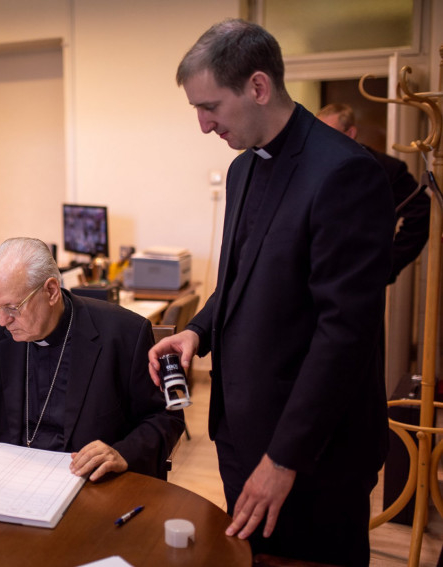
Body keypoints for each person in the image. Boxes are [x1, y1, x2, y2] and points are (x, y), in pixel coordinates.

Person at [149, 20, 393, 566]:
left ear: (258, 87)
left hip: (313, 453)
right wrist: (196, 332)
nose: (203, 125)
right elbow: (238, 282)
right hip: (240, 434)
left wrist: (284, 459)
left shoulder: (345, 173)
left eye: (210, 106)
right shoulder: (242, 170)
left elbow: (344, 337)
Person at [0, 237, 184, 481]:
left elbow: (166, 417)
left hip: (87, 485)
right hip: (4, 480)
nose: (2, 321)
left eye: (12, 308)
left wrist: (122, 453)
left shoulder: (124, 333)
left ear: (51, 291)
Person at [317, 102, 429, 281]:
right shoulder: (314, 167)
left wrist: (390, 263)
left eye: (329, 134)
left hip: (361, 277)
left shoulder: (386, 168)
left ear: (350, 133)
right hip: (316, 276)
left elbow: (422, 212)